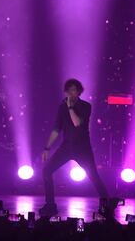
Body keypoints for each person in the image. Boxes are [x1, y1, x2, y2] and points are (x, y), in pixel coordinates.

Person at [40, 79, 108, 217]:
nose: (71, 93)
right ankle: (50, 205)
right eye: (69, 90)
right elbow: (56, 129)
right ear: (65, 92)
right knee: (46, 171)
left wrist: (70, 107)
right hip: (66, 147)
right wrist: (47, 148)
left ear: (79, 92)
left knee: (93, 176)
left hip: (82, 148)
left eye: (74, 90)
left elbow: (77, 123)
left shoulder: (86, 106)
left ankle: (106, 205)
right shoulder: (61, 107)